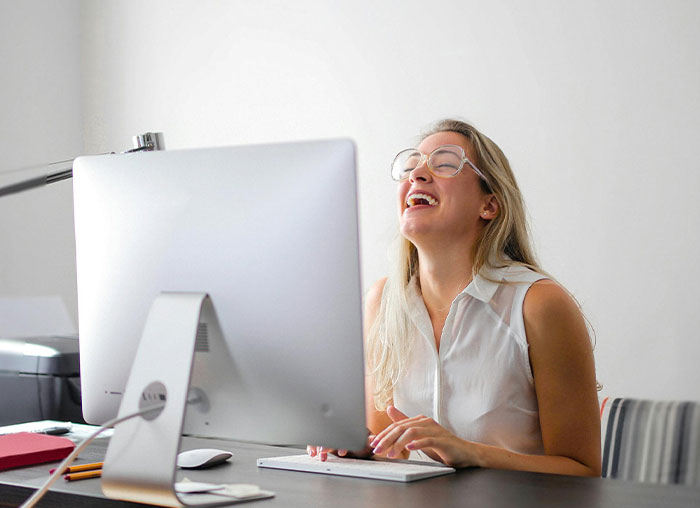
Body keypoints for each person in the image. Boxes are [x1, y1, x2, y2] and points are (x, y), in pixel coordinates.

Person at [308, 119, 601, 476]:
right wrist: (356, 447)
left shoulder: (540, 305)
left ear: (489, 205)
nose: (417, 175)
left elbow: (584, 471)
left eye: (445, 163)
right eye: (411, 167)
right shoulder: (381, 302)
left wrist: (471, 453)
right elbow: (390, 450)